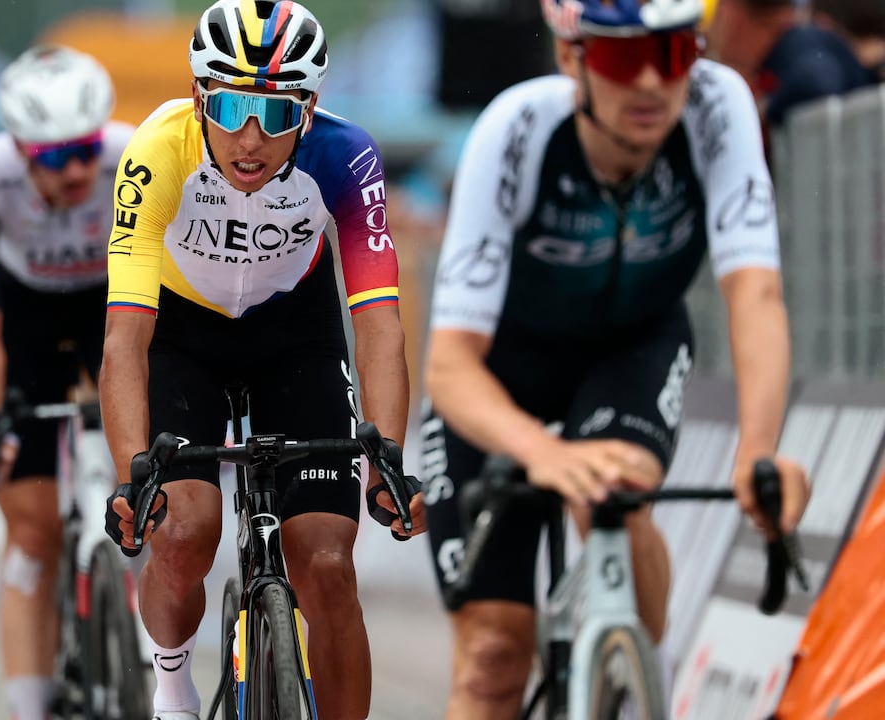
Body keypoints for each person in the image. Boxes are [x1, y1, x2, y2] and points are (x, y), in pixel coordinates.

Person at [420, 0, 813, 717]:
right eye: (623, 56)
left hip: (632, 348)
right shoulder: (515, 130)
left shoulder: (717, 104)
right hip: (502, 371)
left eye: (675, 52)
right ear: (572, 58)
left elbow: (755, 293)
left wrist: (759, 454)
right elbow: (449, 365)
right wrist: (540, 450)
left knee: (617, 495)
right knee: (492, 657)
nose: (652, 82)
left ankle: (638, 682)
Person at [99, 2, 427, 718]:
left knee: (329, 567)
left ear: (307, 110)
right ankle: (173, 689)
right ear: (198, 99)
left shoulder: (346, 156)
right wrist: (133, 476)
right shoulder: (157, 151)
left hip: (295, 333)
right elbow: (124, 338)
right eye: (230, 109)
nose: (251, 140)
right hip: (182, 335)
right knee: (183, 533)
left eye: (276, 115)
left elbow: (378, 322)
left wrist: (389, 456)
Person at [0, 45, 134, 720]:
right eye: (56, 157)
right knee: (31, 534)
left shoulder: (133, 154)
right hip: (24, 318)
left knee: (156, 484)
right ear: (21, 150)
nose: (79, 170)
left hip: (113, 302)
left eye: (86, 149)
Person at [705, 0, 875, 126]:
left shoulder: (799, 42)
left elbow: (815, 82)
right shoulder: (784, 51)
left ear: (733, 15)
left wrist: (762, 110)